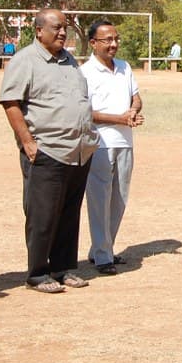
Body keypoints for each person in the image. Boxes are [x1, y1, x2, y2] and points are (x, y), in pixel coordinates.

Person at [0, 8, 98, 293]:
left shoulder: (69, 61)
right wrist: (28, 142)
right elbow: (11, 102)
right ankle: (38, 273)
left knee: (68, 213)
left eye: (65, 27)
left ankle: (63, 267)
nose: (62, 32)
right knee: (43, 214)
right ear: (39, 30)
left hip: (78, 151)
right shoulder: (25, 61)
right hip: (47, 150)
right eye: (56, 27)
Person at [81, 19, 143, 276]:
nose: (114, 44)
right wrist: (120, 118)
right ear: (93, 43)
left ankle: (101, 248)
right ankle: (103, 256)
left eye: (116, 39)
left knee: (119, 198)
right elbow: (85, 113)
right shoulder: (84, 73)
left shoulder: (124, 67)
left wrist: (134, 110)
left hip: (125, 142)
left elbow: (136, 97)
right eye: (107, 40)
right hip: (100, 145)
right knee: (99, 200)